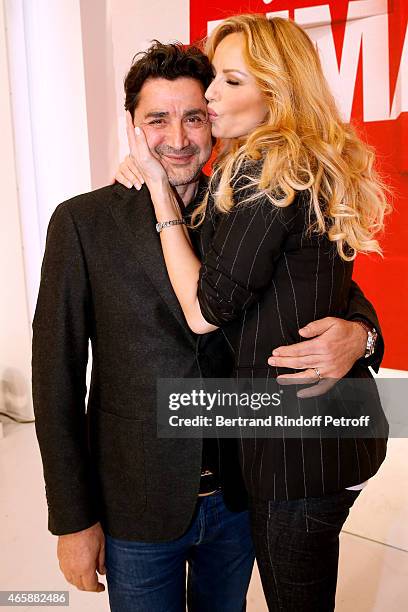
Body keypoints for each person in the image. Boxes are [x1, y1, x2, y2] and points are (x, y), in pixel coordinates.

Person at [32, 41, 383, 612]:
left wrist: (361, 335)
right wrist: (72, 521)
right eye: (157, 120)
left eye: (194, 117)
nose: (177, 139)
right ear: (132, 126)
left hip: (242, 494)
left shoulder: (247, 202)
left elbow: (330, 288)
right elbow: (56, 380)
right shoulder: (83, 222)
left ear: (214, 121)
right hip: (139, 504)